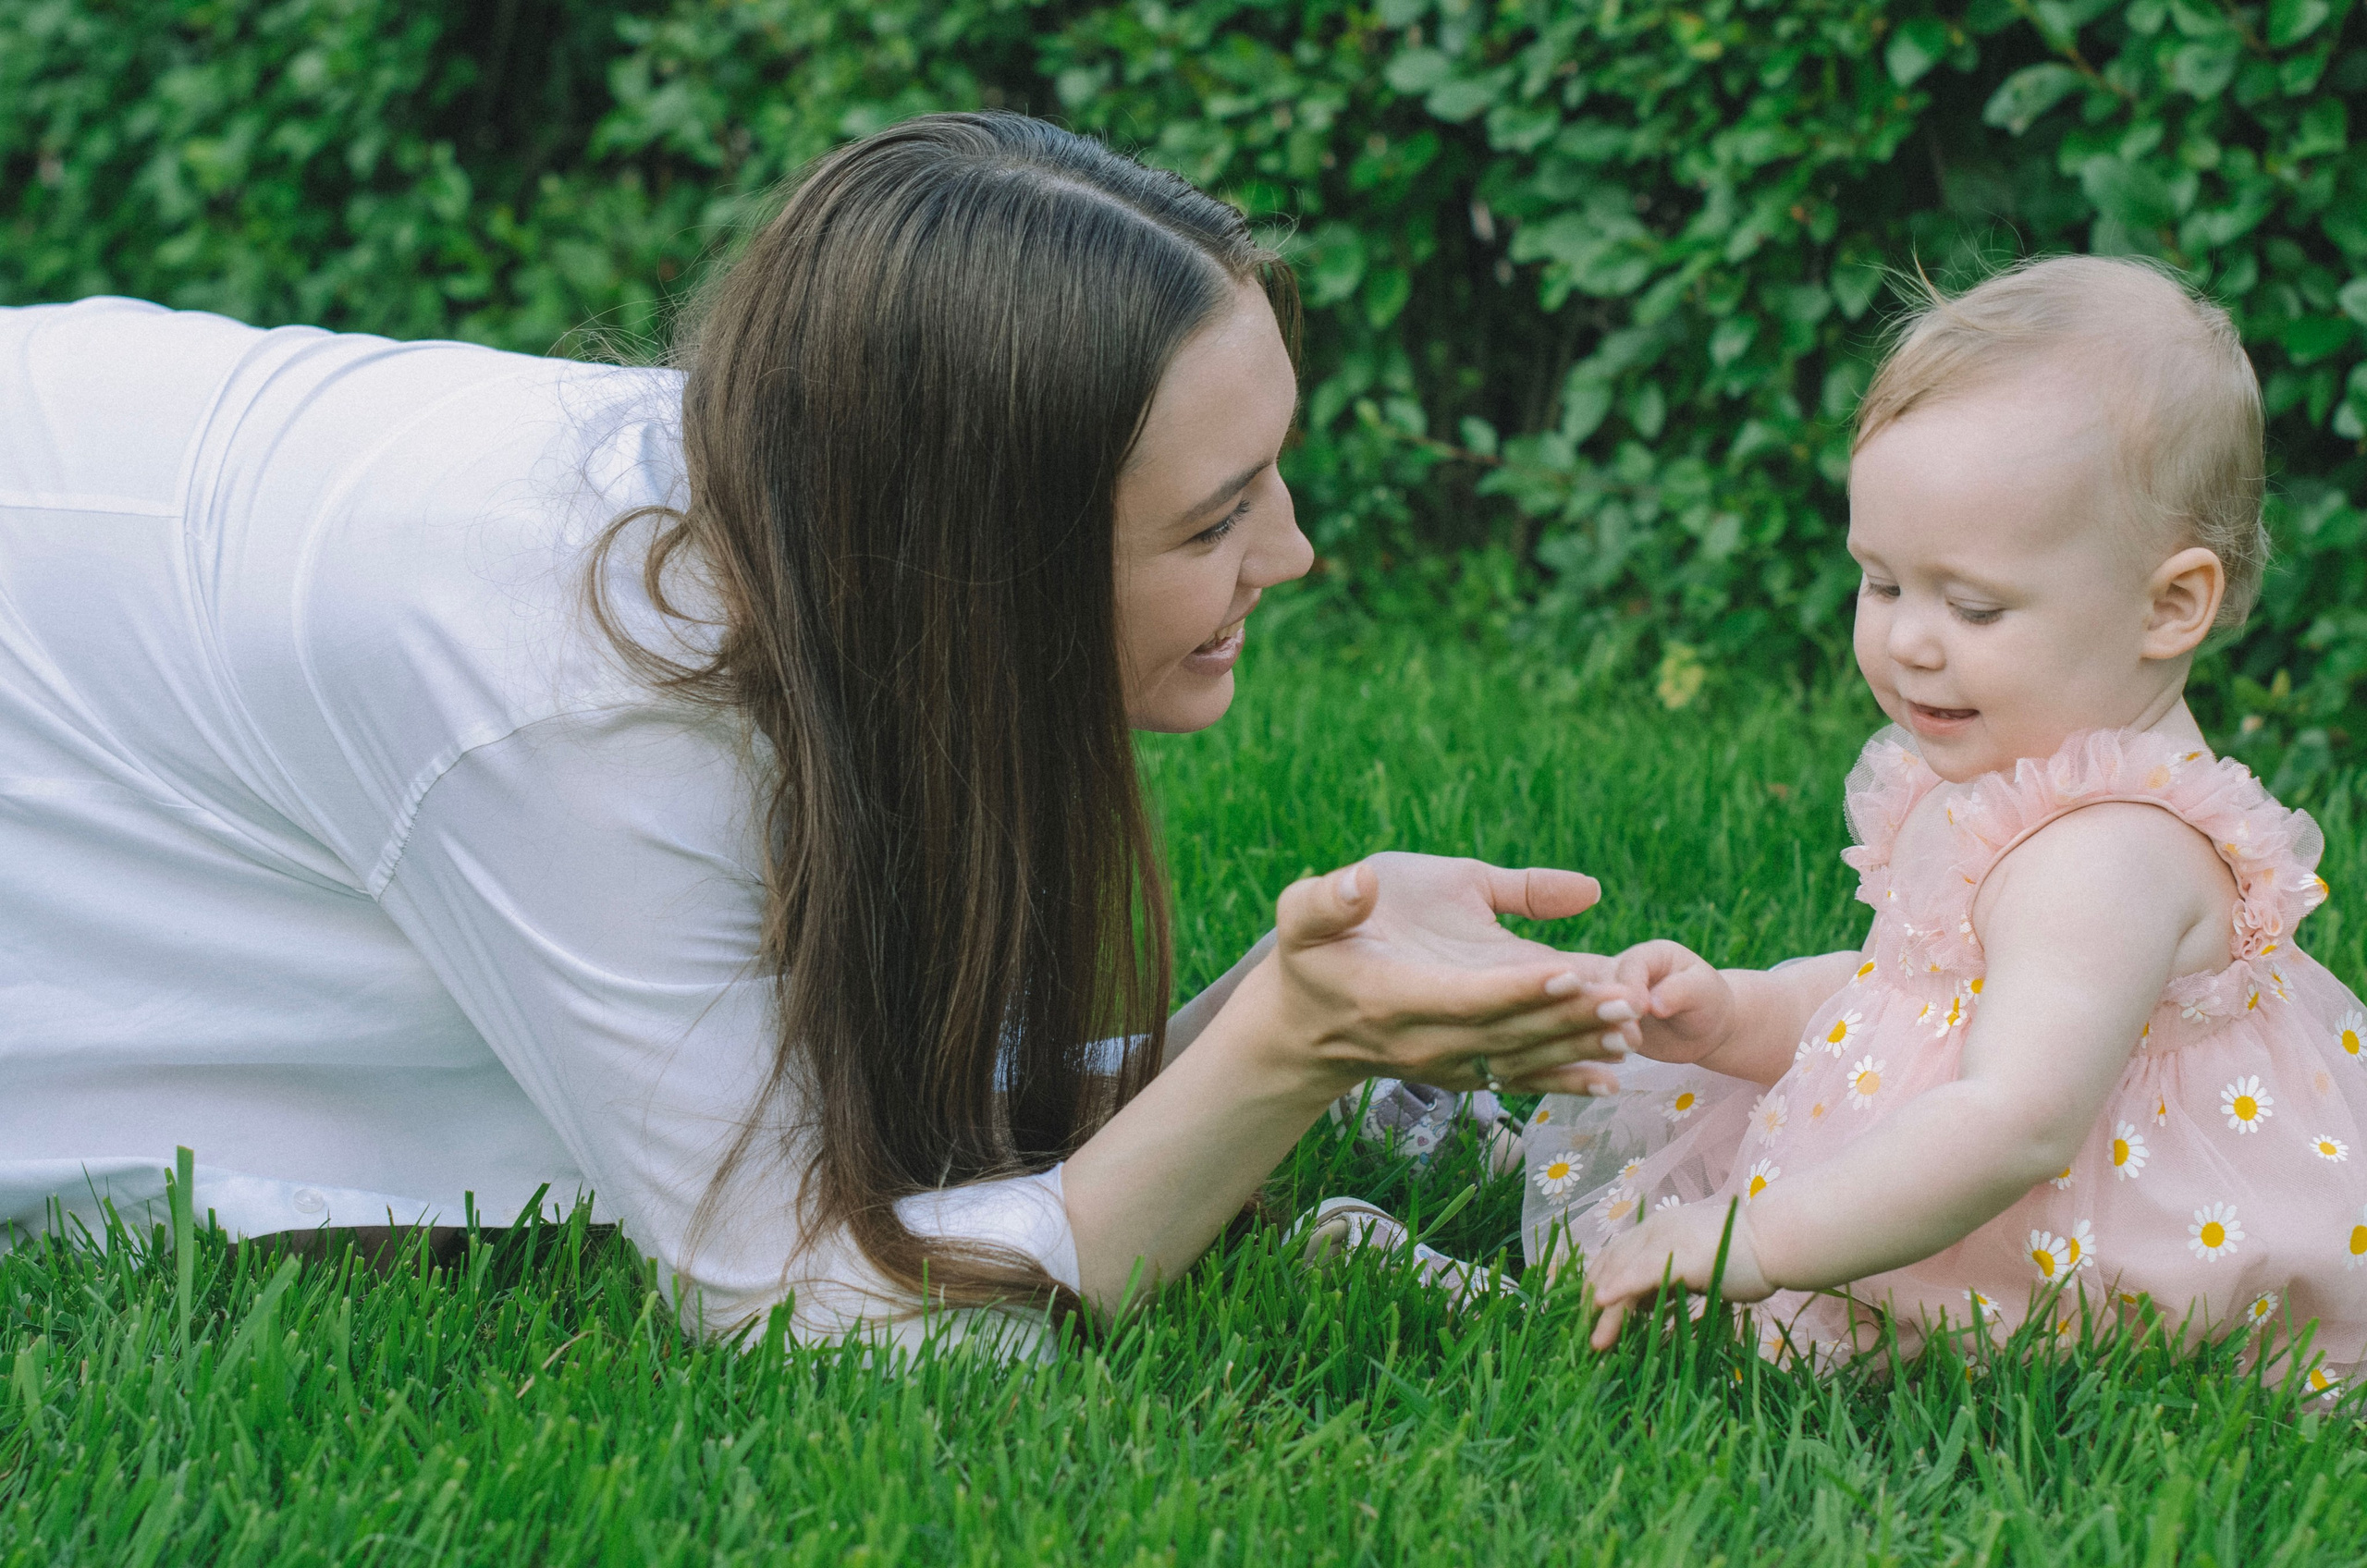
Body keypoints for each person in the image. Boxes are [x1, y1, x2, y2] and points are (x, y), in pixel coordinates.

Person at [0, 112, 1639, 1347]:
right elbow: (813, 1311)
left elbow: (857, 1098)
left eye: (1269, 476)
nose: (1290, 555)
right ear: (987, 552)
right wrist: (1295, 1046)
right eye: (1212, 523)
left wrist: (1271, 1010)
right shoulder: (567, 699)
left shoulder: (816, 515)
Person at [1525, 256, 2367, 1386]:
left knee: (1765, 1322)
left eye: (1972, 604)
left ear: (2171, 605)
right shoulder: (2011, 767)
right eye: (1880, 583)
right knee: (1668, 1150)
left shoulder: (2107, 855)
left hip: (2058, 1246)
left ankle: (1485, 1280)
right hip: (1963, 1162)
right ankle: (1512, 1158)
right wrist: (1739, 1015)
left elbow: (2012, 1121)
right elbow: (1904, 1004)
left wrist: (1761, 1240)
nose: (1909, 640)